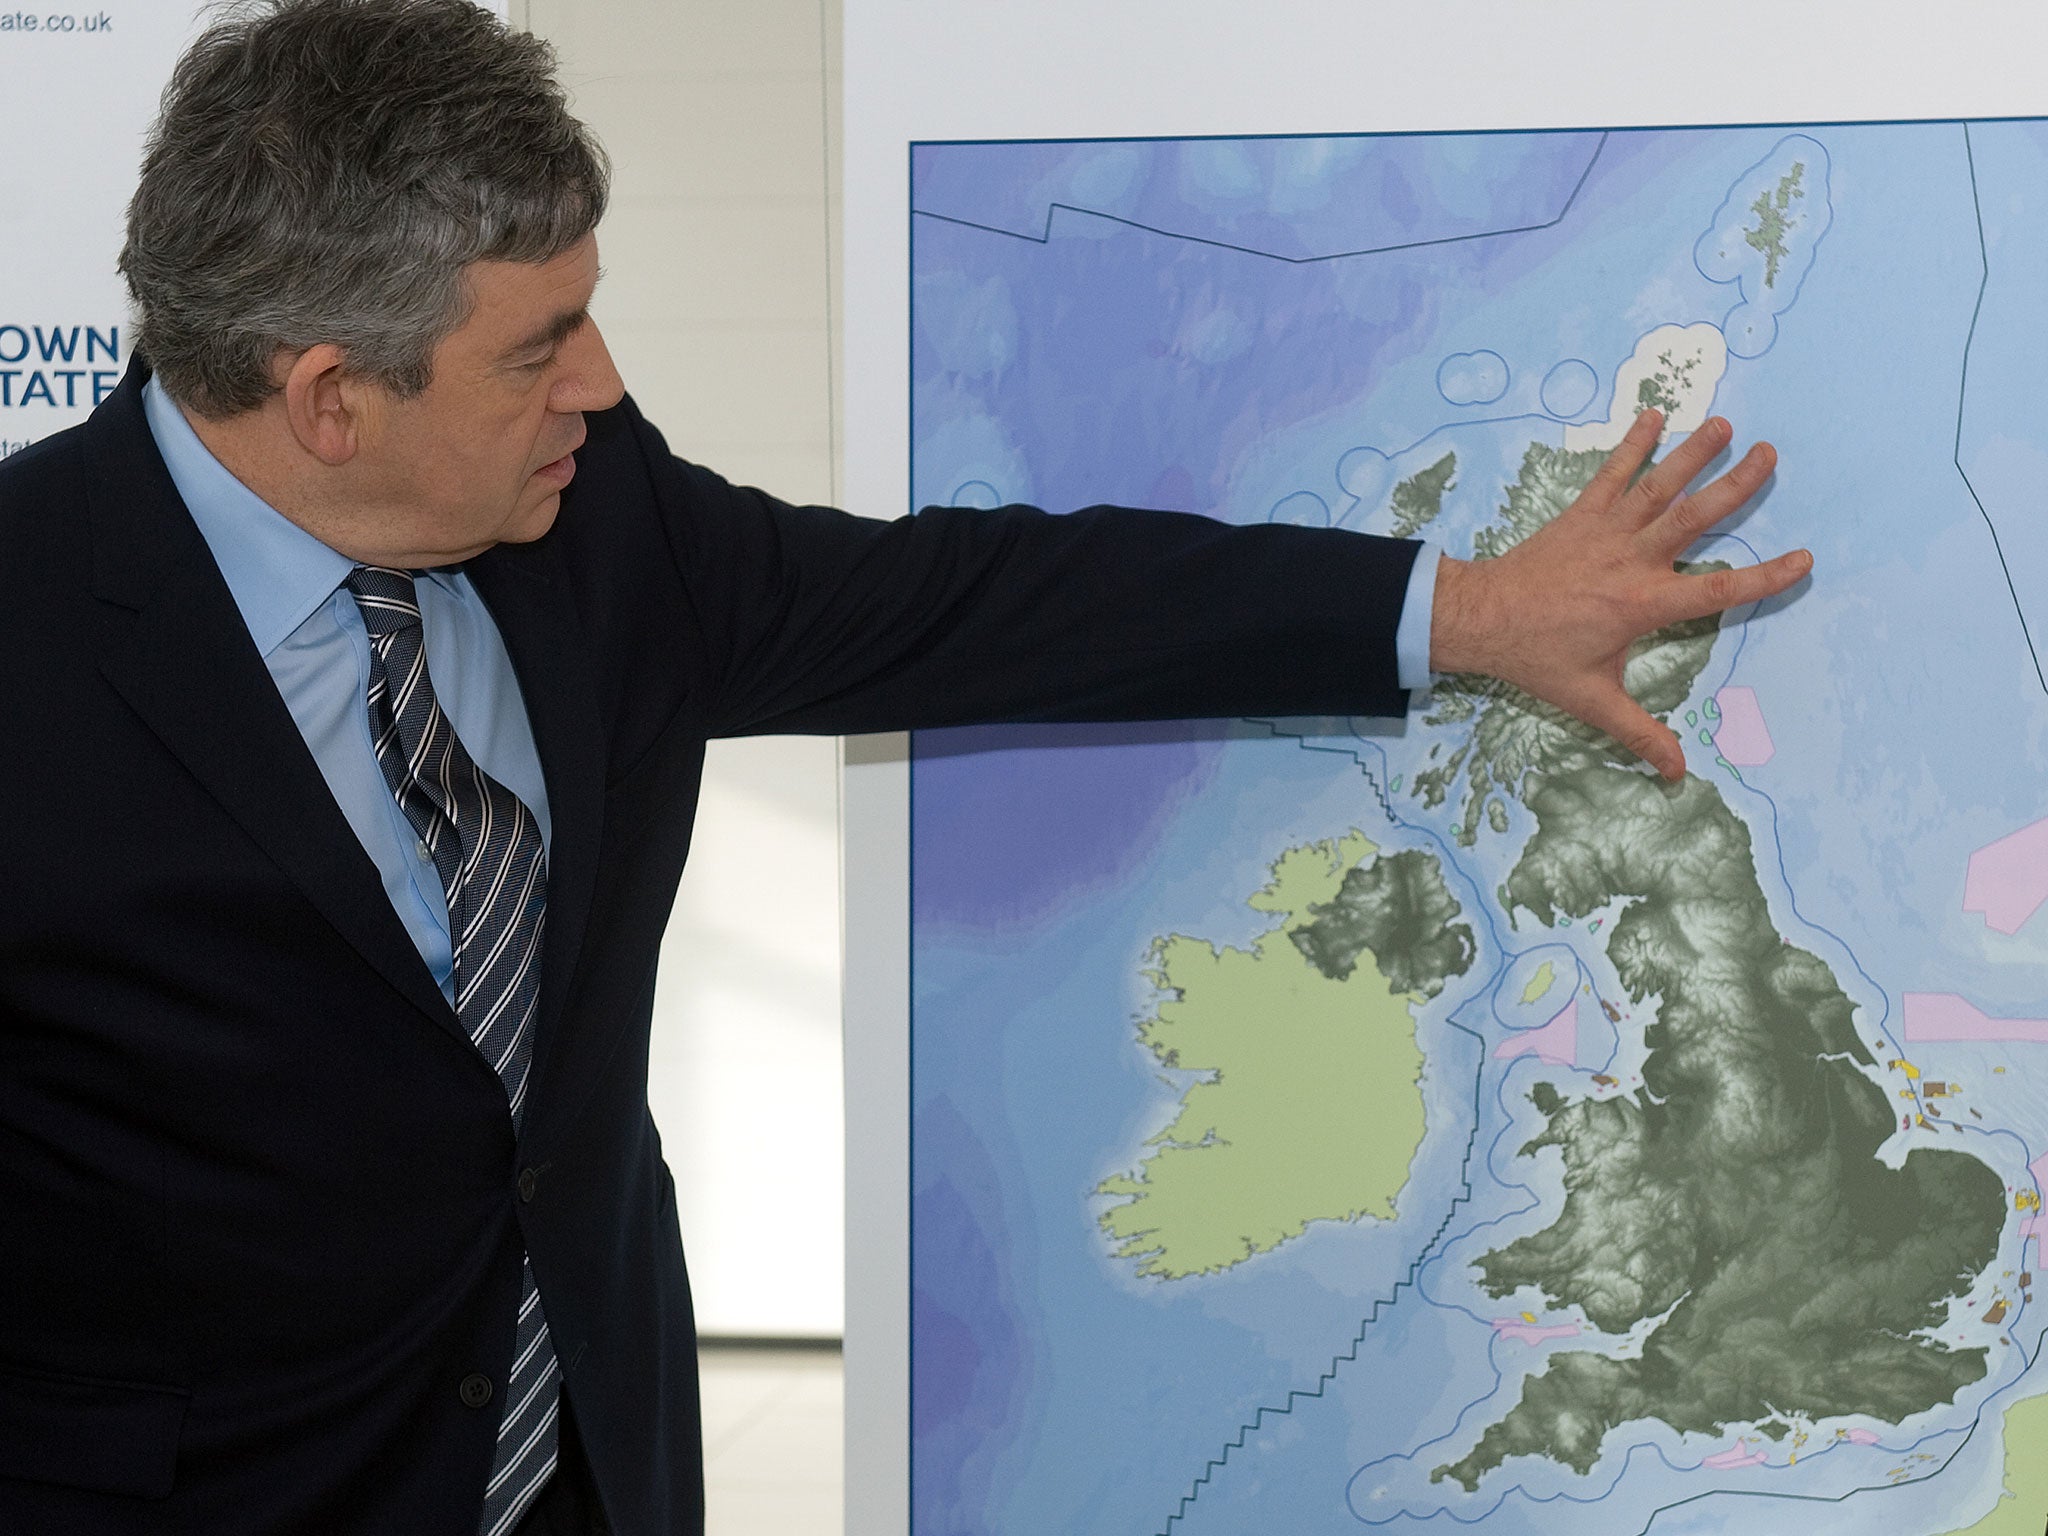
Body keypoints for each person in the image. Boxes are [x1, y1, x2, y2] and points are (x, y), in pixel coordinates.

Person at [0, 2, 1810, 1533]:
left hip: (588, 1471)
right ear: (329, 398)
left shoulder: (596, 523)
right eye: (539, 347)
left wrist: (1469, 608)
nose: (605, 386)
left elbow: (981, 601)